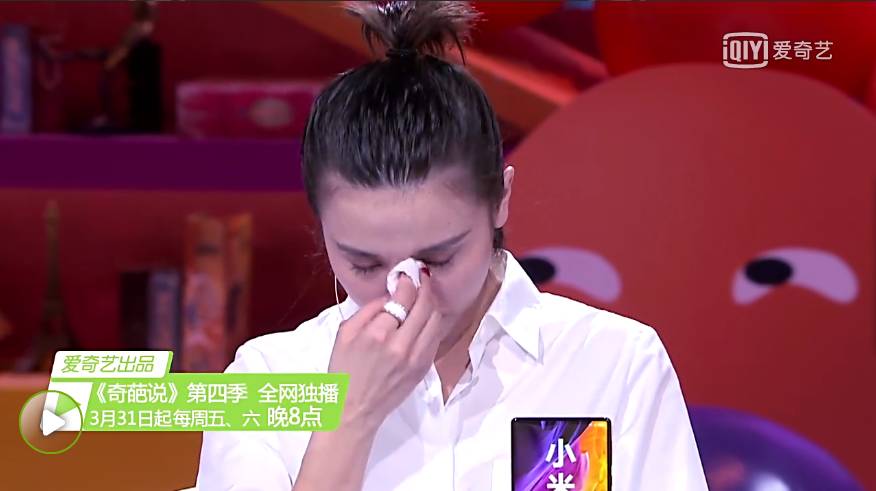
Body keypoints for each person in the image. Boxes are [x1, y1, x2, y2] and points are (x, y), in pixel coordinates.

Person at [196, 2, 707, 490]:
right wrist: (350, 419)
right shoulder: (266, 379)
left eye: (438, 258)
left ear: (500, 200)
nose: (405, 292)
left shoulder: (613, 361)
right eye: (364, 263)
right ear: (322, 228)